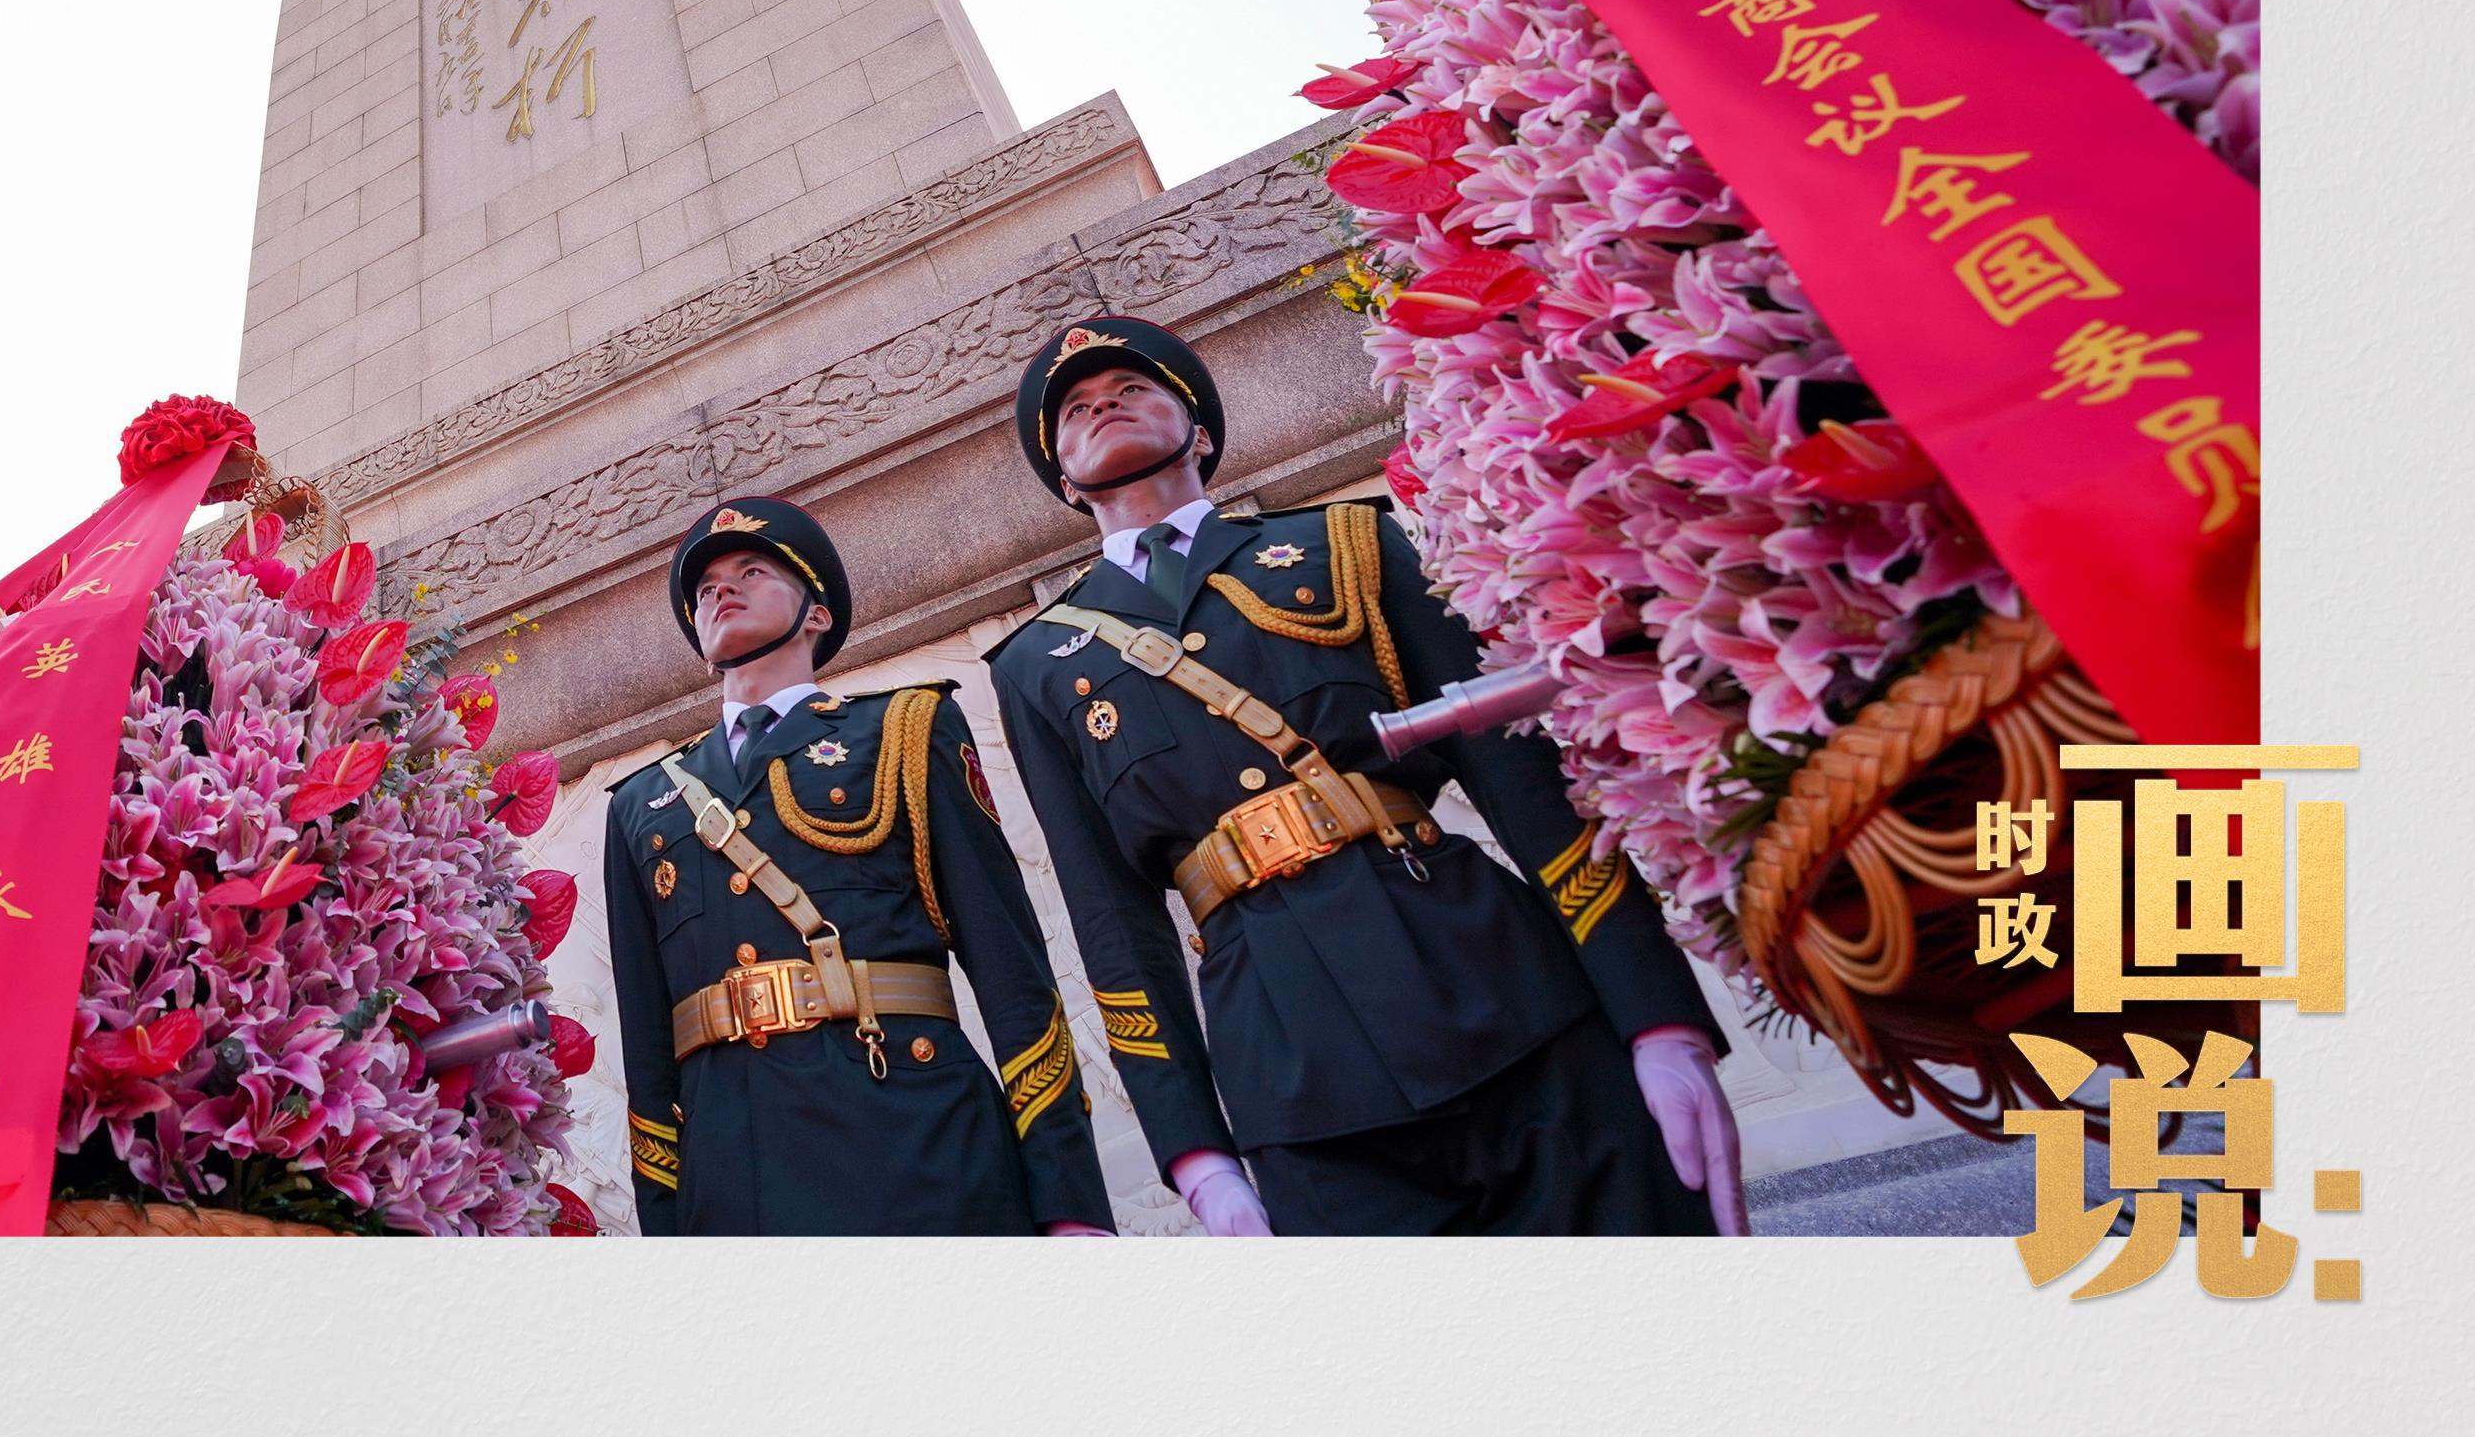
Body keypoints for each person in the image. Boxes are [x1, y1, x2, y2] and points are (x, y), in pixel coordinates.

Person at [984, 315, 1746, 1236]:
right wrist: (1197, 1156)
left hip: (1501, 989)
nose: (1105, 403)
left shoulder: (1344, 543)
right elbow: (1112, 922)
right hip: (1292, 1072)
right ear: (1066, 480)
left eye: (1133, 388)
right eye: (1076, 408)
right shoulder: (1037, 664)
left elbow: (1525, 788)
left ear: (1203, 433)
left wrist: (1659, 1018)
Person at [601, 494, 1115, 1235]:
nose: (722, 591)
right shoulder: (641, 803)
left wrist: (1070, 1204)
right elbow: (647, 1053)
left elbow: (1011, 970)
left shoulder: (906, 727)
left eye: (751, 571)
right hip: (734, 1173)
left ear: (816, 613)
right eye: (706, 587)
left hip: (912, 1132)